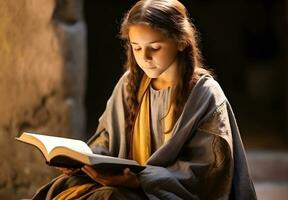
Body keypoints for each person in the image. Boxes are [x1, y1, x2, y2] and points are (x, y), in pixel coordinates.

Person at [32, 0, 257, 199]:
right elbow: (107, 141)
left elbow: (207, 171)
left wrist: (139, 180)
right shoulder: (130, 83)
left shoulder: (204, 94)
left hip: (162, 191)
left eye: (155, 48)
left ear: (181, 42)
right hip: (123, 184)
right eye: (136, 48)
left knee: (109, 197)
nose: (145, 58)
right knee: (62, 189)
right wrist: (82, 162)